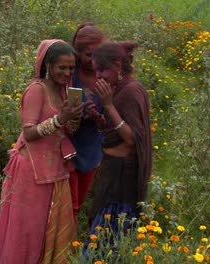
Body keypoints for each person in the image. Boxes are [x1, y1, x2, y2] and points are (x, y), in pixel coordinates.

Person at [0, 39, 83, 264]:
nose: (67, 72)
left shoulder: (63, 92)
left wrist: (73, 119)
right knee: (28, 230)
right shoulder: (36, 91)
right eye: (62, 67)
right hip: (31, 170)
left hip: (53, 168)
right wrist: (60, 119)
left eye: (71, 68)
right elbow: (29, 133)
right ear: (48, 65)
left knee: (46, 227)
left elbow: (65, 132)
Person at [82, 41, 152, 259]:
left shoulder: (132, 92)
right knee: (104, 236)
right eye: (95, 72)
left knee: (111, 236)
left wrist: (109, 105)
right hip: (112, 171)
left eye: (102, 70)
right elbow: (116, 130)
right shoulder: (119, 89)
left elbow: (132, 138)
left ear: (118, 65)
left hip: (122, 179)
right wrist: (99, 118)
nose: (99, 77)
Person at [69, 23, 108, 226]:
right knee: (70, 204)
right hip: (68, 147)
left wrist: (98, 119)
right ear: (77, 53)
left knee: (80, 200)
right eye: (88, 55)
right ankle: (66, 248)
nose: (94, 61)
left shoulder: (107, 77)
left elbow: (111, 121)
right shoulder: (69, 74)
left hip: (92, 149)